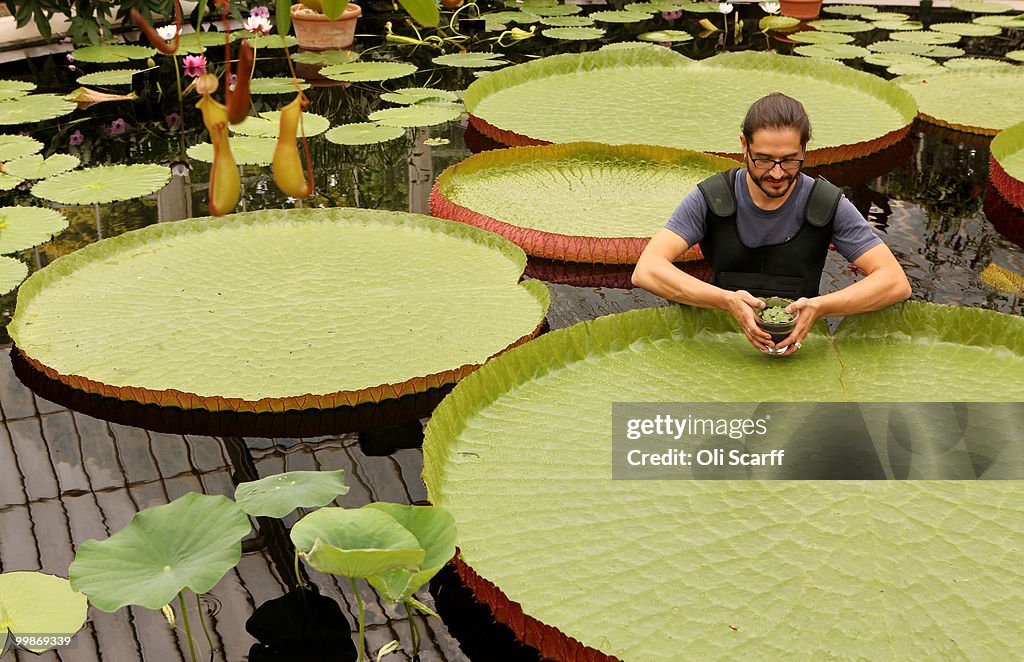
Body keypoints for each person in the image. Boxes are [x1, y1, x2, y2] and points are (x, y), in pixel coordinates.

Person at [631, 92, 911, 356]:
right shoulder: (712, 197)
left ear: (804, 148)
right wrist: (727, 300)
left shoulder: (826, 202)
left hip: (795, 348)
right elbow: (647, 270)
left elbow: (895, 282)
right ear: (744, 145)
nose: (777, 173)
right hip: (718, 344)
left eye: (789, 160)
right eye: (764, 160)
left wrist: (820, 306)